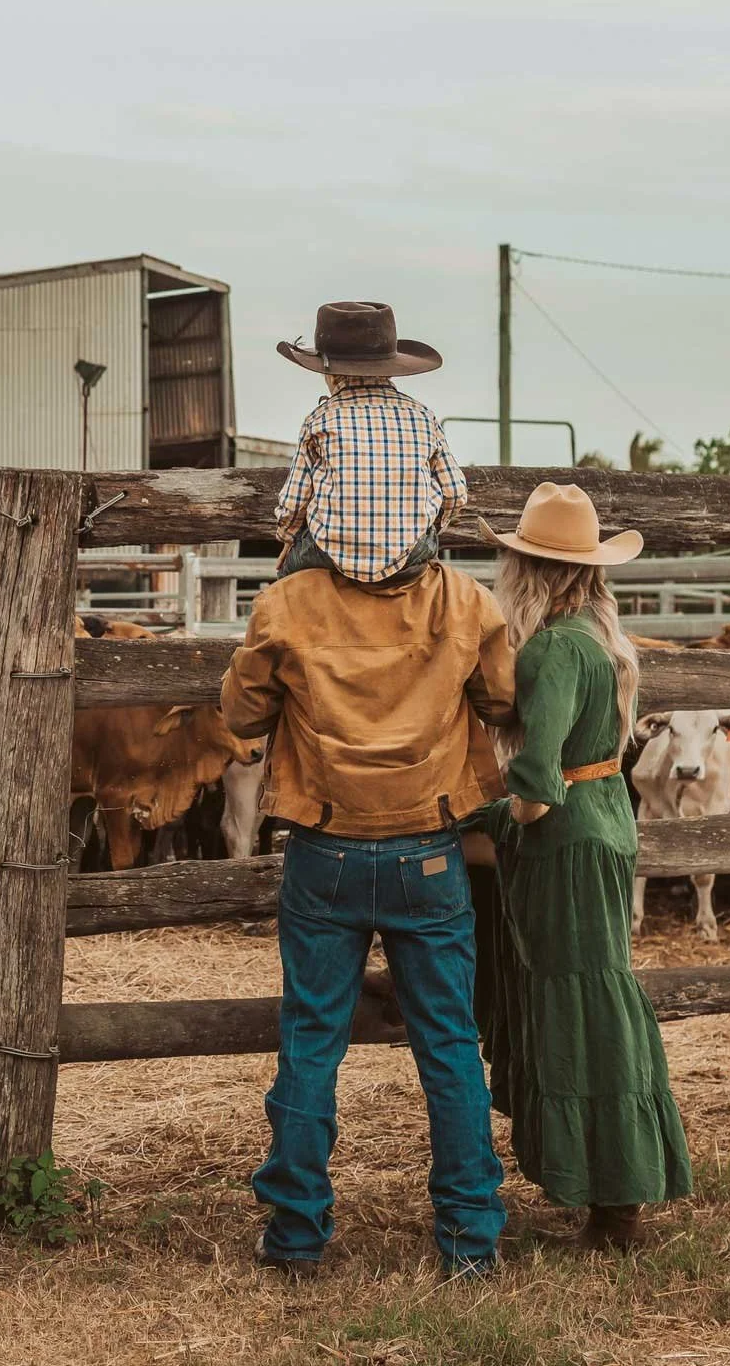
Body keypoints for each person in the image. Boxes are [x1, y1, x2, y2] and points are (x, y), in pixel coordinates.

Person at [220, 471, 518, 1280]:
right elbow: (501, 700)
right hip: (428, 844)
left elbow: (243, 716)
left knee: (312, 1040)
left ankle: (296, 1236)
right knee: (451, 1045)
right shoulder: (464, 600)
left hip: (326, 843)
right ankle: (469, 1240)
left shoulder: (288, 602)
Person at [464, 482, 693, 1250]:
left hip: (565, 837)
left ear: (530, 570)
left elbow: (537, 775)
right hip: (604, 821)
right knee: (600, 993)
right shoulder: (599, 639)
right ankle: (611, 1191)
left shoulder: (557, 647)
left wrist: (497, 817)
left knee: (587, 1004)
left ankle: (616, 1203)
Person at [272, 301, 467, 588]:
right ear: (389, 368)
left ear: (330, 372)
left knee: (283, 588)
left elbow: (293, 503)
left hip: (331, 550)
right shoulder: (422, 416)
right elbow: (455, 493)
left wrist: (288, 540)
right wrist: (424, 530)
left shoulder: (321, 419)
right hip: (411, 552)